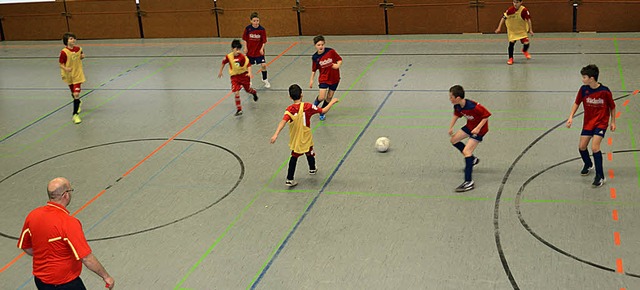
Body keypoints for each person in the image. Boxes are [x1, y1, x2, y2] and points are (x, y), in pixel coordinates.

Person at [17, 177, 115, 290]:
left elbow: (26, 247)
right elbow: (86, 258)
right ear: (65, 195)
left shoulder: (33, 215)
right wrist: (106, 277)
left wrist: (47, 256)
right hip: (66, 284)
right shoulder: (69, 223)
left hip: (41, 282)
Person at [270, 84, 339, 186]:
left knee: (301, 152)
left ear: (290, 97)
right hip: (305, 135)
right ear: (302, 94)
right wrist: (332, 102)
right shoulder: (308, 106)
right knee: (306, 151)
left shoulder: (289, 109)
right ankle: (291, 178)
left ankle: (310, 169)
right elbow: (323, 111)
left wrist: (276, 134)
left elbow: (283, 121)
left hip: (296, 137)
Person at [566, 64, 616, 188]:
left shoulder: (604, 91)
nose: (582, 79)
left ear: (592, 78)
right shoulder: (583, 90)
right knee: (582, 147)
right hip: (588, 123)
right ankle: (588, 164)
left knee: (595, 147)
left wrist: (613, 121)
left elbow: (612, 107)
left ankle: (600, 176)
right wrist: (571, 116)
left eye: (584, 77)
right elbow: (577, 103)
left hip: (601, 123)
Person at [448, 85, 492, 192]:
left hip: (479, 130)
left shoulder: (474, 106)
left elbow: (486, 116)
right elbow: (456, 115)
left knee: (467, 151)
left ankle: (468, 182)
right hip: (470, 126)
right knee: (454, 140)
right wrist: (451, 127)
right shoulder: (458, 106)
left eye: (451, 97)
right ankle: (472, 160)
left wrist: (478, 128)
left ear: (458, 98)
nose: (450, 99)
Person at [218, 39, 259, 116]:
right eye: (236, 49)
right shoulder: (229, 56)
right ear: (232, 49)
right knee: (236, 93)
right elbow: (223, 63)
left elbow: (249, 65)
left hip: (244, 76)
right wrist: (220, 71)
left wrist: (250, 73)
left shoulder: (243, 57)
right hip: (234, 77)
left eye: (239, 49)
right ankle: (239, 109)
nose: (238, 51)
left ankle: (253, 92)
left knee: (248, 90)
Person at [309, 35, 342, 121]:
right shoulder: (315, 57)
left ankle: (322, 112)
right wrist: (311, 80)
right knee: (322, 97)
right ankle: (315, 104)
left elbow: (339, 59)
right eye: (318, 45)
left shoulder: (331, 51)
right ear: (315, 46)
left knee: (329, 97)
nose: (321, 46)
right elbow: (314, 69)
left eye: (322, 44)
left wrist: (337, 65)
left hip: (334, 78)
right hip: (324, 78)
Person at [494, 0, 533, 65]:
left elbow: (529, 20)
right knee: (511, 44)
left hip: (521, 30)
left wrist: (530, 30)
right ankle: (510, 58)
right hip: (512, 31)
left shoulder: (524, 10)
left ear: (521, 2)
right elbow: (503, 18)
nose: (515, 4)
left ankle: (524, 51)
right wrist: (499, 28)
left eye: (517, 2)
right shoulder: (510, 10)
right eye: (514, 2)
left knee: (526, 43)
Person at [59, 32, 85, 124]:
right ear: (66, 41)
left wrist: (82, 57)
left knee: (76, 94)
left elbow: (80, 56)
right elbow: (61, 64)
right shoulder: (64, 52)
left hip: (77, 74)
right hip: (69, 75)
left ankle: (75, 115)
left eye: (74, 38)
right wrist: (66, 68)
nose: (73, 40)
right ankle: (78, 102)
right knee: (73, 94)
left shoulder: (79, 49)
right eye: (70, 39)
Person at [242, 11, 270, 88]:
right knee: (248, 66)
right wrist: (245, 47)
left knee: (263, 65)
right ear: (251, 21)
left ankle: (265, 79)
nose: (256, 22)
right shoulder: (248, 29)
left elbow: (264, 41)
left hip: (258, 52)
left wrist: (262, 49)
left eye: (257, 21)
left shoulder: (262, 29)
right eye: (254, 21)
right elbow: (244, 39)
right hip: (250, 52)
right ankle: (249, 81)